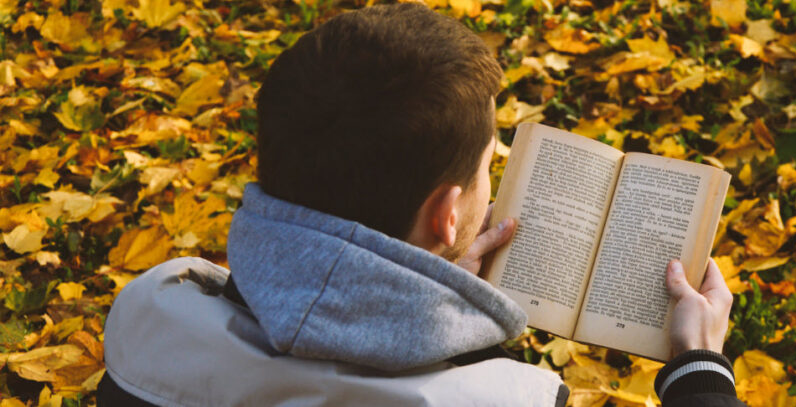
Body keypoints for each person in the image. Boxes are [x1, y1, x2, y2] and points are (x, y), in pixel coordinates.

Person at [97, 3, 744, 406]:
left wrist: (427, 305)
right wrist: (699, 374)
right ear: (447, 214)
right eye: (493, 163)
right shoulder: (504, 399)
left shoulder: (150, 316)